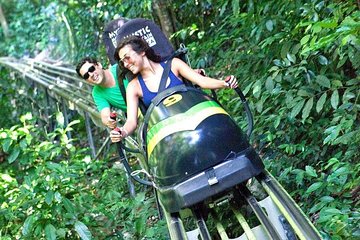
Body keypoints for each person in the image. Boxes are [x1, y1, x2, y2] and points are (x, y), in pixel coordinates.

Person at [110, 36, 238, 142]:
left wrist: (224, 83)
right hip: (170, 139)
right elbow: (132, 121)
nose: (126, 64)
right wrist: (122, 132)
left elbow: (202, 81)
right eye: (122, 62)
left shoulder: (174, 65)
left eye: (127, 58)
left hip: (198, 125)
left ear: (142, 51)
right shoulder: (134, 87)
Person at [76, 57, 128, 129]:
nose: (91, 75)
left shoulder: (120, 69)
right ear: (87, 81)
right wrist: (108, 121)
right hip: (139, 115)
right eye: (86, 76)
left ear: (99, 65)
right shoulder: (97, 93)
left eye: (91, 69)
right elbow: (104, 115)